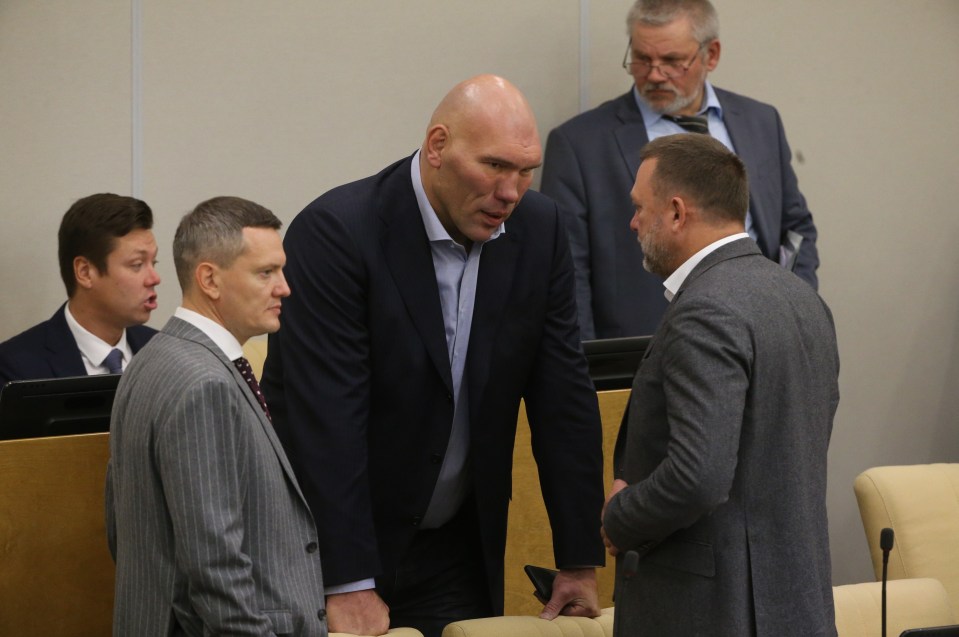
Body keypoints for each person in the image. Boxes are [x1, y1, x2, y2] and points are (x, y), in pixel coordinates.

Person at [261, 75, 605, 637]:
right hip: (339, 548)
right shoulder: (337, 234)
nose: (511, 192)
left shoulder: (539, 231)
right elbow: (327, 422)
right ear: (438, 146)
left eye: (525, 171)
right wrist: (347, 583)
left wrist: (577, 557)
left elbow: (563, 397)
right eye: (495, 166)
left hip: (454, 546)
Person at [601, 134, 839, 636]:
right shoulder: (803, 301)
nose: (633, 222)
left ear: (677, 212)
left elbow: (698, 476)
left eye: (640, 208)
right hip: (797, 606)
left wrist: (619, 518)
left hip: (711, 612)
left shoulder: (704, 310)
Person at [106, 197, 327, 636]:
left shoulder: (152, 360)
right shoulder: (202, 382)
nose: (284, 287)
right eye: (266, 273)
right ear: (209, 278)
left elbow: (121, 526)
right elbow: (214, 566)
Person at [541, 0, 819, 340]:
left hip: (764, 336)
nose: (655, 75)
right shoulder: (579, 144)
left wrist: (793, 307)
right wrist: (588, 367)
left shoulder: (762, 122)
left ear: (711, 55)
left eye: (672, 61)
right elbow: (567, 270)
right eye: (642, 59)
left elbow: (796, 229)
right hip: (647, 347)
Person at [0, 193, 160, 386]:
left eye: (154, 262)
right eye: (137, 264)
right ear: (85, 272)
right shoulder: (16, 368)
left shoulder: (163, 352)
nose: (155, 278)